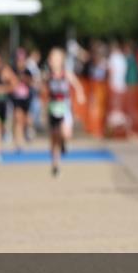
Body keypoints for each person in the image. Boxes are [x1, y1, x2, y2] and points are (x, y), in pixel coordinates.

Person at [45, 47, 86, 178]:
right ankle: (55, 165)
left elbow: (77, 84)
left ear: (62, 60)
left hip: (65, 109)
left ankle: (64, 142)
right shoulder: (47, 75)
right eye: (52, 58)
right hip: (52, 109)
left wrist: (80, 94)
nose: (54, 61)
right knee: (54, 138)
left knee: (65, 134)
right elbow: (42, 89)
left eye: (56, 58)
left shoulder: (66, 74)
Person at [10, 48, 34, 151]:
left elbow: (31, 82)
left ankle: (28, 131)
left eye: (22, 60)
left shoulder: (28, 71)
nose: (20, 62)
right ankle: (18, 143)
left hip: (26, 98)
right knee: (17, 118)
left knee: (27, 119)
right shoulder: (13, 70)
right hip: (16, 98)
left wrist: (25, 79)